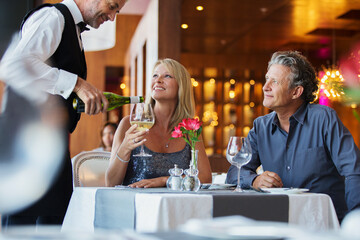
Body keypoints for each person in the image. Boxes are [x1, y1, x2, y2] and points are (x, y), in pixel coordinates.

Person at [0, 0, 128, 228]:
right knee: (26, 225)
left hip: (49, 140)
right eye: (112, 6)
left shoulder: (72, 28)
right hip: (29, 142)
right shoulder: (53, 16)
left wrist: (77, 98)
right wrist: (76, 83)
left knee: (53, 221)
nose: (112, 17)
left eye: (117, 11)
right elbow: (13, 65)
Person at [226, 51, 360, 222]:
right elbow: (235, 171)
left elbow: (353, 171)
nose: (265, 87)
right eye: (267, 79)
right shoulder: (261, 126)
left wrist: (355, 220)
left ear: (296, 91)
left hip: (323, 222)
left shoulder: (323, 118)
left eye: (274, 81)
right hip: (278, 219)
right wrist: (255, 180)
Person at [105, 58, 212, 187]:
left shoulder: (190, 129)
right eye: (155, 75)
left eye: (167, 76)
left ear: (181, 86)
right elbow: (110, 183)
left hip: (174, 205)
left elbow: (205, 178)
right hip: (135, 203)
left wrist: (164, 180)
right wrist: (125, 148)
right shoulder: (130, 124)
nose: (158, 80)